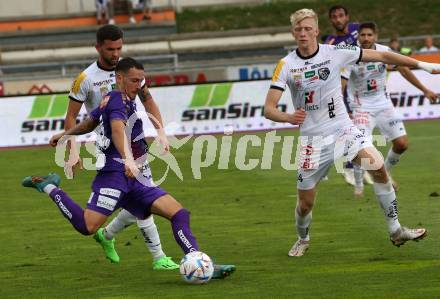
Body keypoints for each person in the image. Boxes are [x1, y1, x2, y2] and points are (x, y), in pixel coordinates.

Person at [22, 57, 236, 279]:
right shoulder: (117, 101)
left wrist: (65, 134)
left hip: (136, 178)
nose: (139, 85)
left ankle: (199, 262)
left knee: (179, 213)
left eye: (141, 80)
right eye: (134, 80)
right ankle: (50, 187)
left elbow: (90, 122)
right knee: (88, 226)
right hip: (114, 176)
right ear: (120, 78)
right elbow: (117, 131)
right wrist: (128, 160)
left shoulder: (112, 99)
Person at [264, 8, 439, 257]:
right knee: (305, 204)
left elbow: (382, 54)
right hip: (313, 140)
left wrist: (423, 65)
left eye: (307, 28)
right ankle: (303, 238)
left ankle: (395, 230)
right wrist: (289, 117)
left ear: (315, 30)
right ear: (293, 33)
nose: (303, 33)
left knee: (378, 167)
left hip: (343, 129)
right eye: (298, 29)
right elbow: (268, 109)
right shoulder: (286, 65)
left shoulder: (335, 53)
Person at [64, 24, 178, 269]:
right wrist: (72, 152)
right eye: (110, 49)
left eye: (119, 48)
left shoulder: (129, 72)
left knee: (141, 198)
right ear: (98, 48)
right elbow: (71, 117)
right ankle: (157, 257)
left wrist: (161, 133)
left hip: (135, 147)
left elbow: (148, 100)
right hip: (109, 150)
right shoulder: (85, 79)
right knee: (143, 199)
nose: (115, 54)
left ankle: (108, 237)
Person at [342, 22, 438, 197]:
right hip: (361, 107)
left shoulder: (384, 52)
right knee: (362, 147)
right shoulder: (351, 55)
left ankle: (383, 174)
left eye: (369, 35)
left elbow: (403, 69)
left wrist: (425, 90)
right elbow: (342, 84)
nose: (366, 38)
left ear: (376, 36)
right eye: (362, 35)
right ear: (358, 37)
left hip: (383, 105)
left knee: (402, 144)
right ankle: (358, 185)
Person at [323, 5, 373, 186]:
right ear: (330, 20)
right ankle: (348, 166)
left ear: (347, 17)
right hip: (343, 91)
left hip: (362, 88)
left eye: (341, 15)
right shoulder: (329, 43)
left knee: (359, 131)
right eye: (334, 17)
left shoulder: (357, 30)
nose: (338, 19)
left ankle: (355, 166)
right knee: (349, 130)